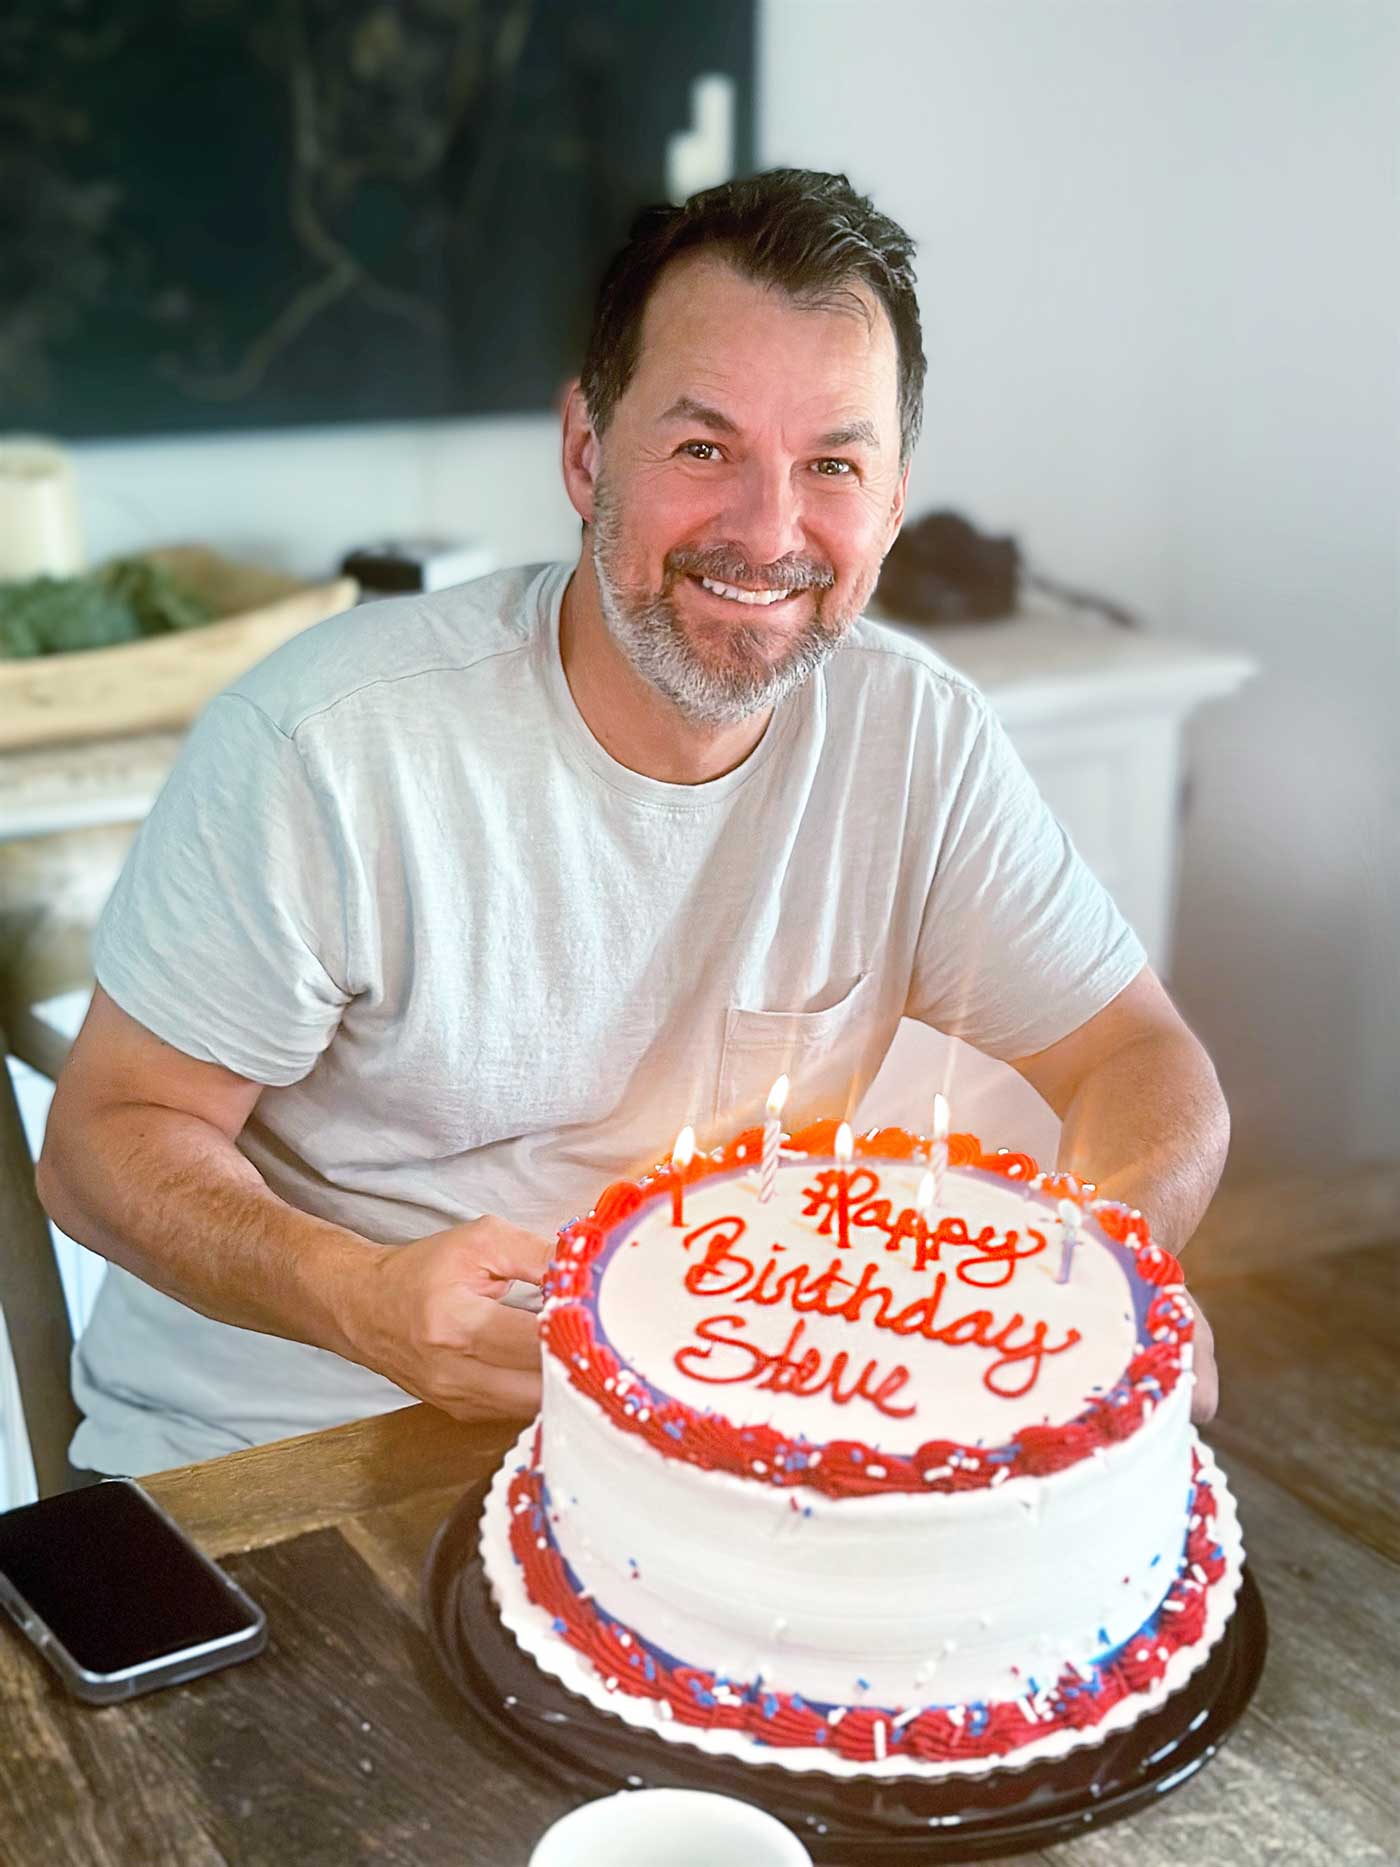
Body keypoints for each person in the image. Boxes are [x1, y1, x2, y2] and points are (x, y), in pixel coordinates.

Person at [39, 170, 1226, 1476]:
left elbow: (1144, 1064)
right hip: (289, 1454)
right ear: (586, 452)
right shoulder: (329, 743)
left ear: (890, 504)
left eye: (832, 463)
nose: (768, 532)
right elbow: (101, 1147)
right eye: (702, 448)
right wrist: (354, 1298)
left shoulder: (921, 741)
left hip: (698, 1459)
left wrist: (1101, 1279)